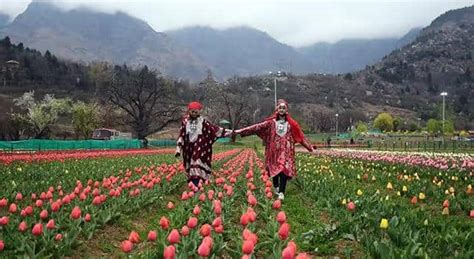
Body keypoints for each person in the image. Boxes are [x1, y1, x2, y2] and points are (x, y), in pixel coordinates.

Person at [234, 99, 314, 200]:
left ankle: (281, 192)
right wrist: (241, 132)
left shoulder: (291, 124)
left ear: (286, 110)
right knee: (274, 170)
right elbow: (257, 127)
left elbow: (300, 137)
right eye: (280, 108)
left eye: (284, 108)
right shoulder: (271, 123)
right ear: (277, 109)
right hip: (273, 152)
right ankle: (276, 187)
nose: (282, 109)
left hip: (286, 152)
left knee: (283, 169)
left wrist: (309, 147)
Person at [175, 101, 232, 187]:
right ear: (189, 111)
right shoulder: (185, 121)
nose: (194, 113)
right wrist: (178, 148)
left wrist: (231, 132)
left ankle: (197, 186)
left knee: (197, 163)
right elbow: (182, 134)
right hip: (188, 149)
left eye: (196, 111)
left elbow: (214, 130)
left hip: (200, 147)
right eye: (192, 111)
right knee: (191, 166)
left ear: (199, 111)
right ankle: (195, 186)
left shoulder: (203, 122)